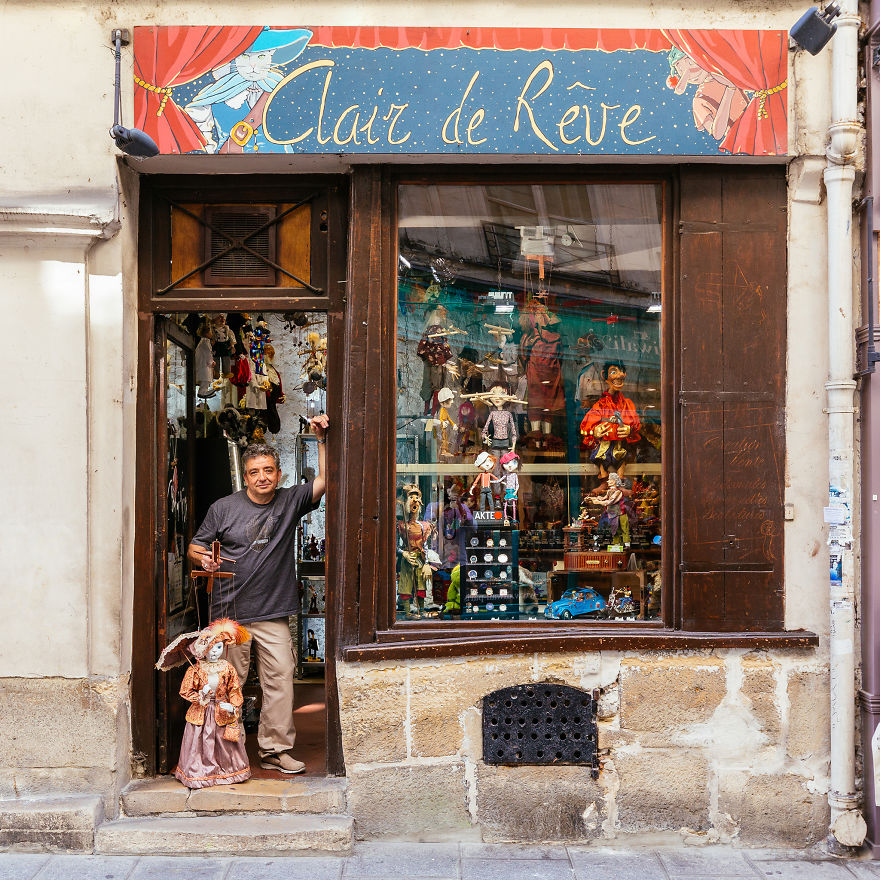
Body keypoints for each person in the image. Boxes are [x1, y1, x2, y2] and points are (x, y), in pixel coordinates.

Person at [187, 415, 329, 774]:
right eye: (255, 472)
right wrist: (202, 558)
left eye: (268, 470)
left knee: (281, 678)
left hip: (272, 614)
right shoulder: (224, 508)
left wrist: (321, 439)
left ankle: (274, 750)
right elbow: (194, 546)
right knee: (222, 682)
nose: (262, 477)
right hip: (229, 615)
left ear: (278, 474)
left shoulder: (289, 501)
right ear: (245, 476)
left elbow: (325, 481)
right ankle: (220, 752)